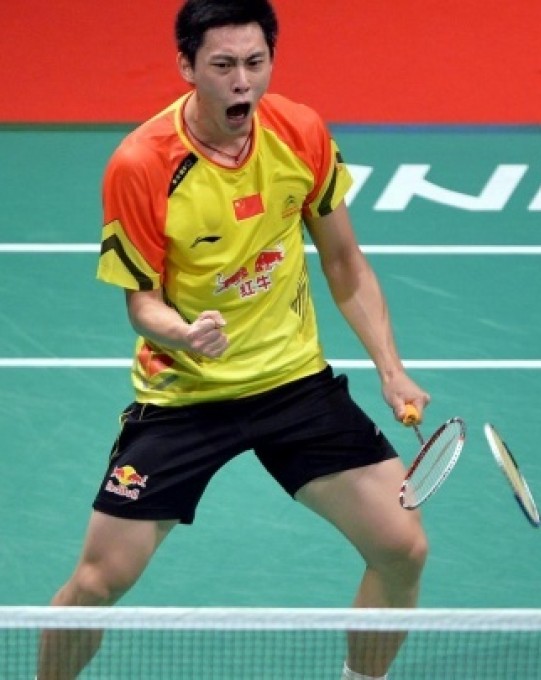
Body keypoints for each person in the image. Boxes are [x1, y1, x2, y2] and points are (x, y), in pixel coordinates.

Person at [37, 2, 429, 679]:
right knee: (97, 585)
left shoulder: (299, 132)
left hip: (293, 383)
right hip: (185, 395)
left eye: (255, 63)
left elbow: (343, 262)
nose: (243, 81)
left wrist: (390, 369)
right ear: (187, 66)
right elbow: (141, 303)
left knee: (402, 548)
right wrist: (184, 334)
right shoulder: (142, 164)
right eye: (223, 66)